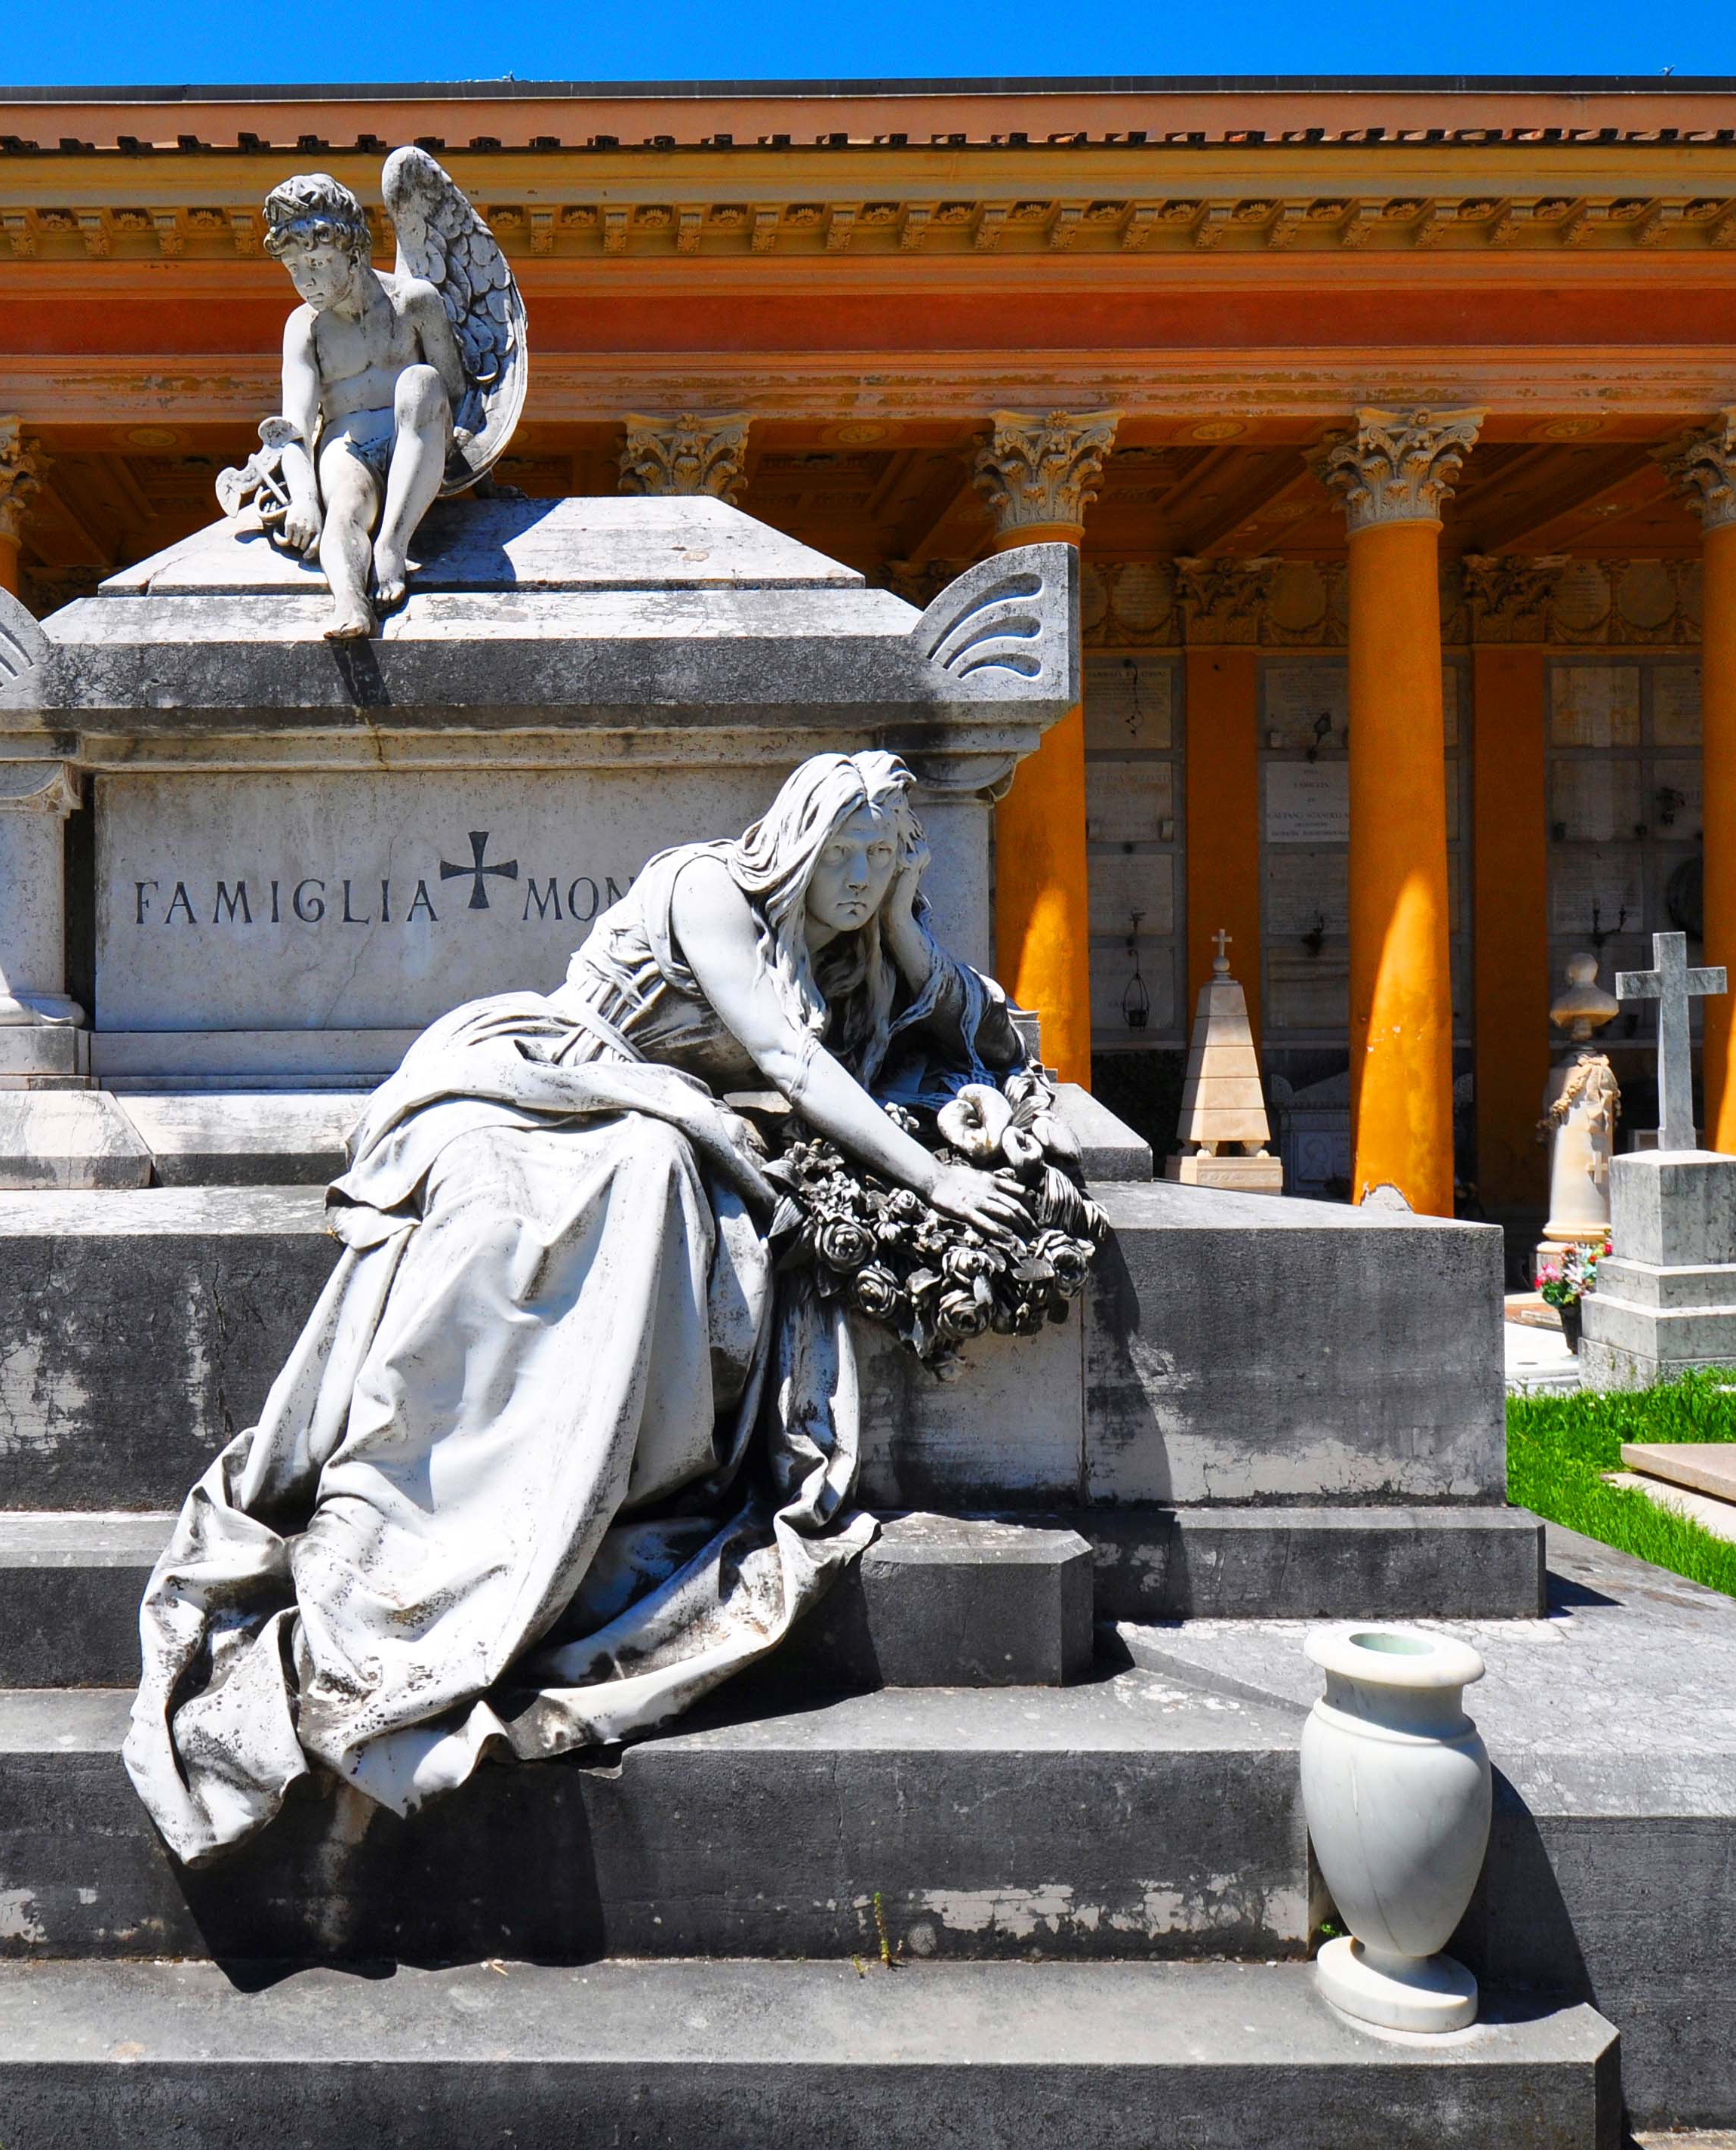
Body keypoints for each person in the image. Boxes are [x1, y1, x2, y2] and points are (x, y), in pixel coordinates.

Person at [127, 752, 1038, 1863]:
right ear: (793, 841)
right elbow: (792, 1060)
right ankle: (423, 1510)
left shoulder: (853, 938)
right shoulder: (715, 890)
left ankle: (567, 1487)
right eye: (838, 852)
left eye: (879, 857)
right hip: (551, 1079)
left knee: (656, 1171)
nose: (853, 875)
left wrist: (898, 923)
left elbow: (973, 1025)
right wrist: (940, 1181)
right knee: (598, 1183)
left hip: (656, 1121)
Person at [257, 171, 468, 641]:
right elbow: (294, 423)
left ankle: (392, 545)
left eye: (316, 261)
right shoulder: (305, 327)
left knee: (419, 381)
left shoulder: (415, 303)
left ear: (352, 250)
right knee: (345, 511)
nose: (305, 281)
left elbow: (453, 394)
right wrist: (305, 501)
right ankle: (350, 603)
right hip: (347, 444)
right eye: (295, 269)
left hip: (417, 436)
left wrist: (479, 468)